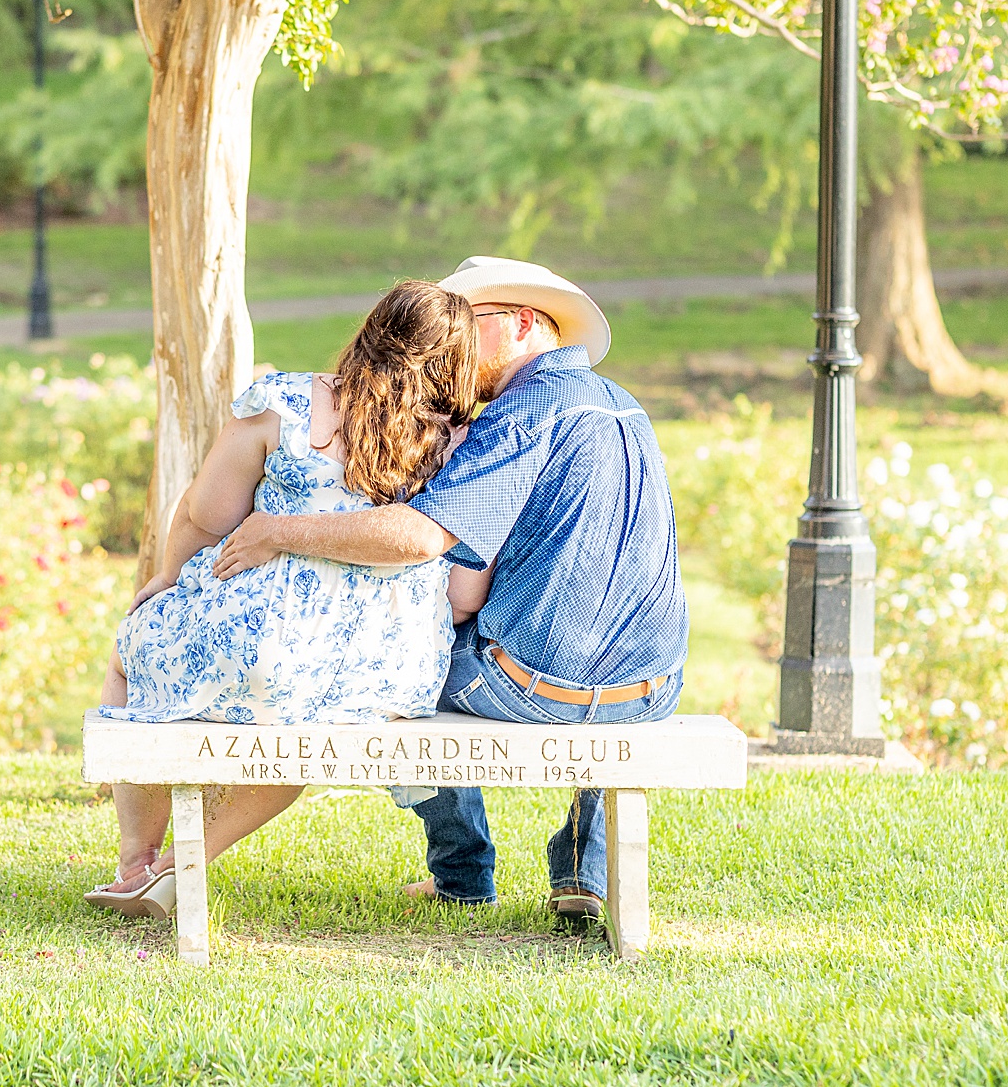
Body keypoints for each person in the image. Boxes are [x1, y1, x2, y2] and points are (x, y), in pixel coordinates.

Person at [212, 256, 689, 924]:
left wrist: (283, 532)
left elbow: (428, 547)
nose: (454, 348)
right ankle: (584, 865)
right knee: (592, 636)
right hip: (652, 687)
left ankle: (462, 868)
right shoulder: (623, 405)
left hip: (538, 689)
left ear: (525, 323)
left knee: (389, 666)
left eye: (472, 325)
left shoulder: (520, 414)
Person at [85, 280, 487, 919]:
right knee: (296, 733)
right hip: (388, 673)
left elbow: (204, 514)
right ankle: (178, 866)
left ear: (370, 332)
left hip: (265, 638)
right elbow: (467, 587)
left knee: (132, 655)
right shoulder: (466, 444)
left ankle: (139, 858)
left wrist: (166, 578)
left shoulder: (288, 406)